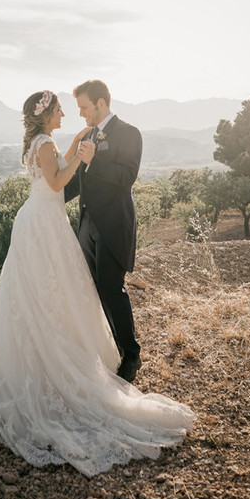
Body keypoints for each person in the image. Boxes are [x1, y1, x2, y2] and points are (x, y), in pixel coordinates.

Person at [0, 90, 194, 477]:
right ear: (45, 114)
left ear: (100, 103)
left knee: (60, 292)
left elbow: (115, 177)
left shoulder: (111, 135)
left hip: (62, 222)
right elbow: (59, 183)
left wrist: (75, 148)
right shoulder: (46, 143)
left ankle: (125, 353)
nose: (71, 113)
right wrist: (78, 157)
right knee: (48, 293)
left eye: (81, 107)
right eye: (62, 109)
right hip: (47, 223)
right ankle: (52, 363)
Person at [65, 80, 143, 383]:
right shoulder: (88, 135)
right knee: (93, 289)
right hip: (86, 224)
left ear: (101, 103)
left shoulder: (129, 133)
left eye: (84, 107)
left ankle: (131, 354)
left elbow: (127, 176)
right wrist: (48, 198)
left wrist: (94, 160)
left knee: (112, 288)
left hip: (113, 223)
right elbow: (78, 181)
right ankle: (107, 349)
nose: (81, 113)